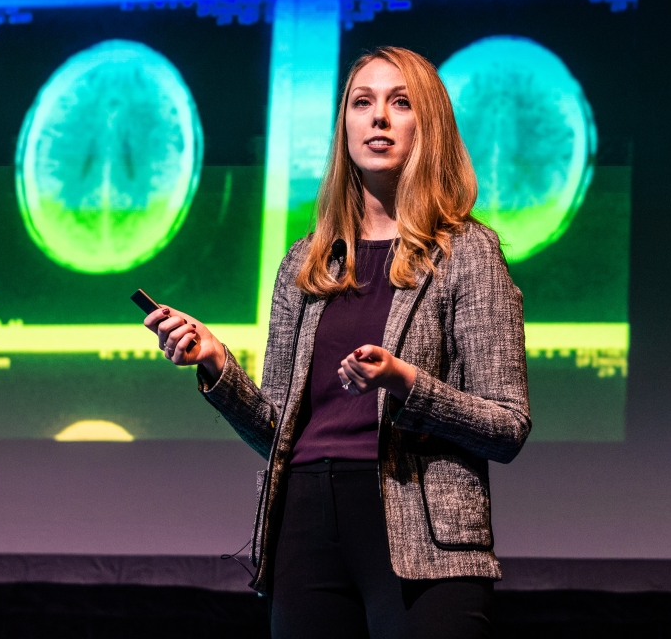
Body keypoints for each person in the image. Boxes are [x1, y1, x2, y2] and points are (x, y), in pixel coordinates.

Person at [144, 46, 530, 639]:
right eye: (362, 102)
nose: (378, 118)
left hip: (420, 530)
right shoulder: (307, 262)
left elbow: (506, 427)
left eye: (400, 103)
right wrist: (217, 364)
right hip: (304, 521)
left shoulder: (468, 253)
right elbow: (278, 433)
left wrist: (405, 382)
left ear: (429, 127)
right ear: (344, 123)